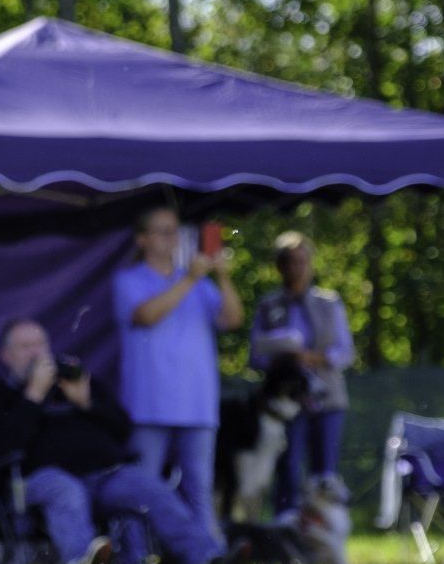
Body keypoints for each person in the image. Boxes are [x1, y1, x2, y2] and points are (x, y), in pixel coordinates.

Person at [0, 319, 222, 564]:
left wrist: (87, 404)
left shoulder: (76, 382)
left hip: (105, 477)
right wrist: (33, 397)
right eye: (25, 346)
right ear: (6, 355)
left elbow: (123, 429)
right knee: (66, 491)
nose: (36, 353)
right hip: (43, 480)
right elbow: (2, 448)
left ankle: (208, 559)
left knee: (149, 487)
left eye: (40, 344)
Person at [112, 206, 243, 545]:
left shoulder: (199, 283)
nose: (172, 238)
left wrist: (222, 276)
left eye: (175, 231)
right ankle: (135, 555)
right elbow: (146, 316)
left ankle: (206, 555)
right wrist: (189, 279)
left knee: (199, 485)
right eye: (163, 231)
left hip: (197, 404)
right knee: (142, 484)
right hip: (148, 404)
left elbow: (232, 320)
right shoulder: (129, 280)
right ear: (142, 239)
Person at [251, 232, 355, 513]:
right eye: (290, 262)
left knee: (325, 472)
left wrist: (314, 358)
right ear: (280, 266)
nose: (297, 268)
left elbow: (346, 351)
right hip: (285, 403)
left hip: (328, 397)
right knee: (288, 465)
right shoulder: (269, 305)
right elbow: (256, 355)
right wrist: (285, 358)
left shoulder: (329, 303)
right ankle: (286, 524)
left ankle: (325, 525)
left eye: (302, 261)